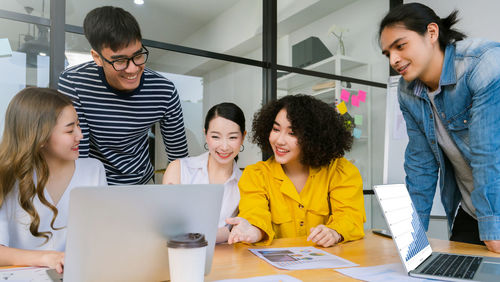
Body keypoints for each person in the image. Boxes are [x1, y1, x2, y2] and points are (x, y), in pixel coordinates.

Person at [379, 3, 500, 252]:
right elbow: (420, 165)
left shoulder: (482, 62)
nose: (394, 60)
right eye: (387, 53)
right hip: (472, 209)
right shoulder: (407, 91)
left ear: (432, 33)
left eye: (400, 46)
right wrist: (413, 238)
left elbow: (488, 153)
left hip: (493, 209)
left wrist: (493, 228)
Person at [58, 6, 188, 185]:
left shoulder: (164, 90)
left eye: (138, 55)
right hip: (94, 183)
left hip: (141, 181)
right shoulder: (74, 82)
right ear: (97, 57)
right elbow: (80, 156)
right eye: (120, 61)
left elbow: (179, 157)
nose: (133, 69)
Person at [226, 94, 365, 247]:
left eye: (292, 133)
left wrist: (335, 232)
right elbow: (255, 214)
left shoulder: (340, 171)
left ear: (313, 137)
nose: (279, 140)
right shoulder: (256, 175)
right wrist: (253, 230)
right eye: (276, 129)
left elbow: (350, 216)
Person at [0, 88, 107, 273]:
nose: (80, 135)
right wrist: (47, 258)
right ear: (40, 138)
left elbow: (104, 237)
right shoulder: (8, 177)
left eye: (78, 125)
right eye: (69, 130)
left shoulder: (93, 170)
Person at [163, 103, 246, 243]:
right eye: (216, 137)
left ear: (243, 137)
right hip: (180, 255)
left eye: (232, 137)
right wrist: (224, 232)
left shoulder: (246, 183)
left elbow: (239, 231)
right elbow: (166, 226)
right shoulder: (178, 169)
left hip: (226, 259)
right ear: (206, 135)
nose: (224, 147)